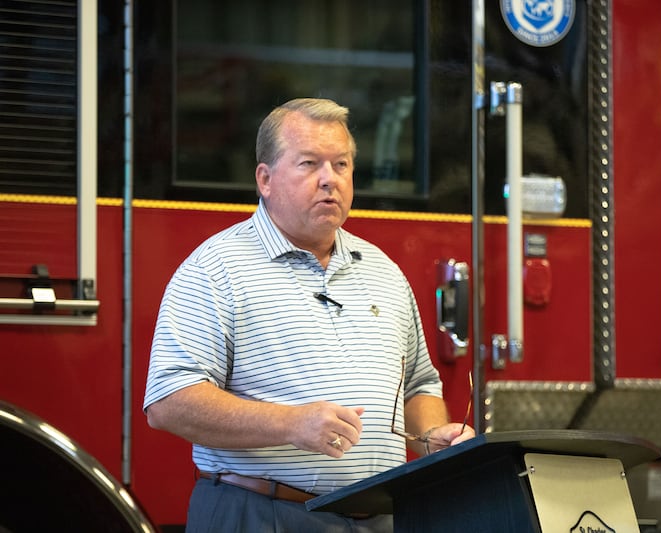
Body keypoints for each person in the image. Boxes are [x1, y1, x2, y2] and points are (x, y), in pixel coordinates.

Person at [143, 97, 475, 532]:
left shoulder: (382, 270)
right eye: (309, 164)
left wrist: (434, 438)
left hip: (381, 519)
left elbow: (418, 385)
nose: (328, 180)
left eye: (341, 165)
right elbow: (169, 402)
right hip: (261, 514)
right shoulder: (215, 269)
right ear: (265, 179)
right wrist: (291, 423)